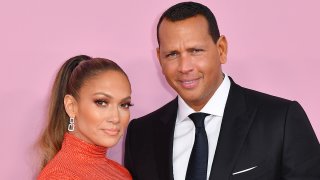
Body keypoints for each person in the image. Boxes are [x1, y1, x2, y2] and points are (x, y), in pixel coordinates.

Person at [124, 1, 320, 180]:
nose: (185, 67)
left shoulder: (280, 120)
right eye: (172, 54)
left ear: (221, 49)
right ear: (159, 58)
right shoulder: (140, 135)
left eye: (196, 51)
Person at [37, 55, 133, 179]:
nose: (115, 118)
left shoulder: (121, 172)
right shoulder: (59, 175)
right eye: (101, 102)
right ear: (71, 106)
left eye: (124, 105)